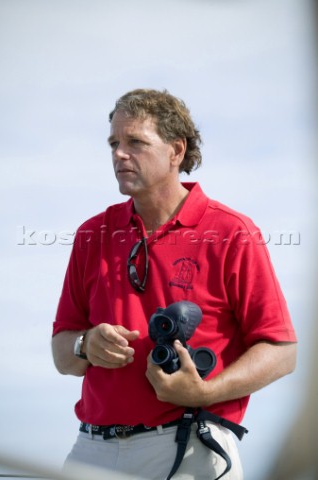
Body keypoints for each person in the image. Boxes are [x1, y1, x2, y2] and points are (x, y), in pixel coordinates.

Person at [52, 89, 297, 480]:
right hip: (91, 450)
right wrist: (86, 344)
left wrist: (205, 394)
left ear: (176, 151)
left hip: (192, 448)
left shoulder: (232, 232)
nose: (119, 153)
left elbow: (281, 353)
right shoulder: (91, 234)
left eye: (135, 142)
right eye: (114, 142)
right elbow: (62, 356)